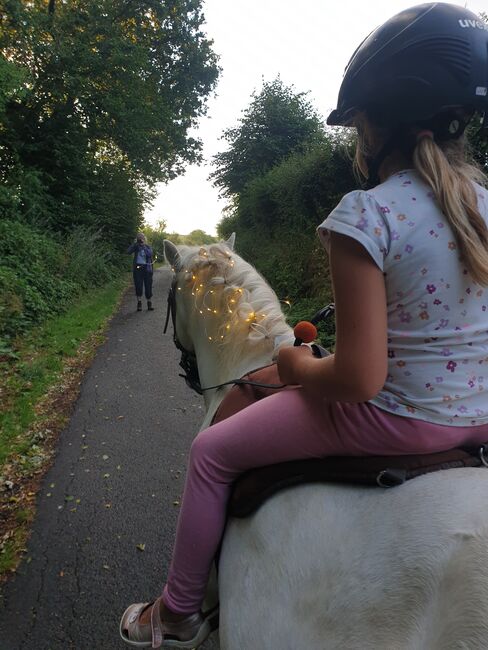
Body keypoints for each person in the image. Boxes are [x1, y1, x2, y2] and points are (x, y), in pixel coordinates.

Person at [120, 4, 488, 647]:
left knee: (210, 454)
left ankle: (176, 614)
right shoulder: (479, 205)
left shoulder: (365, 216)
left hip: (395, 418)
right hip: (480, 414)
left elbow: (359, 378)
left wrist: (296, 365)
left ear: (376, 126)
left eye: (359, 126)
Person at [127, 233, 154, 311]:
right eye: (139, 238)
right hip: (138, 268)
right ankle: (139, 303)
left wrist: (143, 246)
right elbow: (128, 252)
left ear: (144, 238)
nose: (141, 239)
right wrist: (135, 244)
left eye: (142, 237)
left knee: (148, 286)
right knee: (138, 285)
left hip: (147, 268)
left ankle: (149, 303)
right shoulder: (136, 246)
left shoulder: (148, 247)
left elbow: (149, 254)